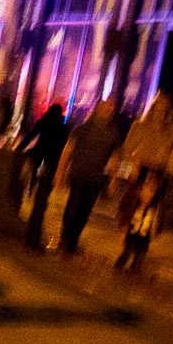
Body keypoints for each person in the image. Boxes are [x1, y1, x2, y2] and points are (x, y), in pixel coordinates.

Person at [112, 90, 173, 271]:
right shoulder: (141, 125)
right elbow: (127, 148)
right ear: (153, 107)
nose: (161, 111)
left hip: (158, 174)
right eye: (158, 106)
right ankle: (127, 250)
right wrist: (133, 163)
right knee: (133, 214)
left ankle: (139, 252)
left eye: (165, 107)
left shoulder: (172, 129)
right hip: (141, 171)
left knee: (148, 217)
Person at [57, 99, 125, 254]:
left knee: (85, 211)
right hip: (78, 173)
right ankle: (65, 239)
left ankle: (73, 241)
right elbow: (68, 150)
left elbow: (114, 158)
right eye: (104, 108)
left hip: (95, 178)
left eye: (109, 109)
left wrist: (113, 180)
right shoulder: (83, 129)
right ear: (97, 110)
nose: (106, 111)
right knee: (73, 208)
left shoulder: (113, 134)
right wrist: (60, 172)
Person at [17, 104, 70, 251]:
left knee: (35, 184)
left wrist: (20, 147)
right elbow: (63, 147)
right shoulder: (63, 127)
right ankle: (35, 231)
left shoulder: (44, 121)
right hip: (52, 162)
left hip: (39, 155)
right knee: (43, 196)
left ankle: (31, 192)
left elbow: (32, 135)